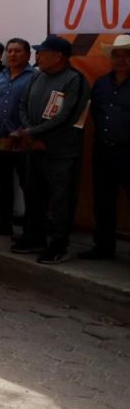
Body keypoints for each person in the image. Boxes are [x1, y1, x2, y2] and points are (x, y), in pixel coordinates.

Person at [13, 35, 89, 264]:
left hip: (61, 153)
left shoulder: (74, 80)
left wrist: (33, 133)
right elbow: (23, 105)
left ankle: (59, 245)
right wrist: (29, 132)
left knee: (60, 200)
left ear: (58, 56)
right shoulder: (37, 76)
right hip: (34, 149)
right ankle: (35, 238)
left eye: (42, 53)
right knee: (34, 195)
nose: (38, 57)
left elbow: (67, 116)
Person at [82, 34, 130, 260]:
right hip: (104, 151)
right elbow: (92, 113)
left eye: (126, 55)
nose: (120, 59)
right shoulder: (101, 83)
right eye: (116, 55)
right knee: (103, 201)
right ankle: (103, 247)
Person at [0, 38, 37, 236]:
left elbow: (37, 108)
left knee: (29, 186)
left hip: (24, 140)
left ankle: (31, 229)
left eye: (17, 51)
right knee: (1, 185)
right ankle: (2, 224)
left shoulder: (35, 77)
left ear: (28, 55)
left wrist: (25, 129)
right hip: (0, 140)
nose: (12, 54)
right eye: (10, 51)